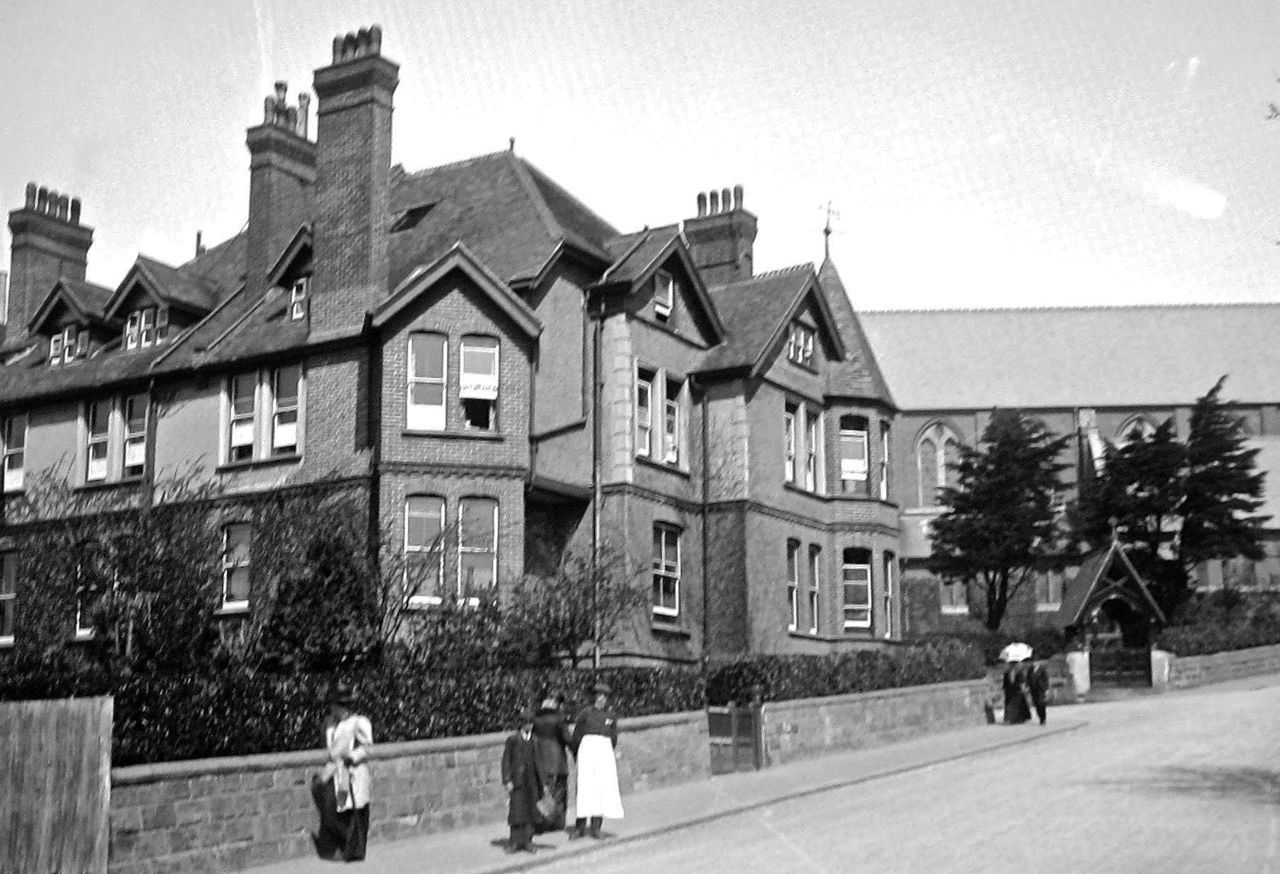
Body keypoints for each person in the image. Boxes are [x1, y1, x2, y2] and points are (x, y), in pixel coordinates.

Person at [311, 682, 374, 862]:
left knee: (352, 811)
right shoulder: (330, 724)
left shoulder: (358, 722)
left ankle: (353, 850)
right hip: (334, 771)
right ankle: (344, 847)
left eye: (334, 704)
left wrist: (352, 756)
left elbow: (367, 748)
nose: (332, 707)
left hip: (352, 772)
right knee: (331, 808)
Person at [571, 682, 623, 839]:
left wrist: (606, 752)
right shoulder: (585, 714)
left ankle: (596, 827)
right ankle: (579, 827)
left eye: (604, 697)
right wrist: (578, 753)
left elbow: (613, 737)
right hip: (587, 753)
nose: (601, 699)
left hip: (603, 754)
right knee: (585, 788)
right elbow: (577, 735)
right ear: (594, 697)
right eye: (599, 696)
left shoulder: (610, 716)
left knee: (601, 789)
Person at [502, 707, 542, 853]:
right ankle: (514, 842)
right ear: (521, 724)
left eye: (531, 723)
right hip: (517, 781)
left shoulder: (535, 740)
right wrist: (507, 780)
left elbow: (540, 762)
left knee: (531, 812)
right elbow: (506, 760)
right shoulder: (513, 739)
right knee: (516, 812)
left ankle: (528, 841)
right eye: (526, 723)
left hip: (531, 781)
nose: (529, 725)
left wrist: (543, 782)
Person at [531, 692, 572, 833]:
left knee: (542, 791)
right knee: (559, 793)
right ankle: (556, 823)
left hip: (540, 760)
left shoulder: (535, 718)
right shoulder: (559, 718)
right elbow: (567, 738)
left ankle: (540, 823)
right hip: (557, 761)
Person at [1002, 661, 1031, 725]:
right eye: (1011, 664)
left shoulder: (1019, 673)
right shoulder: (1006, 673)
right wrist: (1004, 689)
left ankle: (1016, 719)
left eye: (1014, 665)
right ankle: (1010, 719)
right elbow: (1005, 683)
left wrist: (1023, 689)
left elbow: (1022, 681)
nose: (1012, 666)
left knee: (1016, 705)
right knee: (1009, 705)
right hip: (1009, 691)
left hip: (1017, 690)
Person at [1027, 656, 1051, 725]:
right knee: (1036, 704)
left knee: (1041, 703)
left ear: (1038, 662)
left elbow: (1046, 679)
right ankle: (1040, 717)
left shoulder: (1042, 669)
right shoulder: (1030, 670)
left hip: (1041, 689)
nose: (1033, 663)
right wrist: (1028, 686)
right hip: (1033, 689)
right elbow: (1028, 678)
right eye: (1032, 662)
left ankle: (1043, 718)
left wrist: (1046, 689)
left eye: (1035, 662)